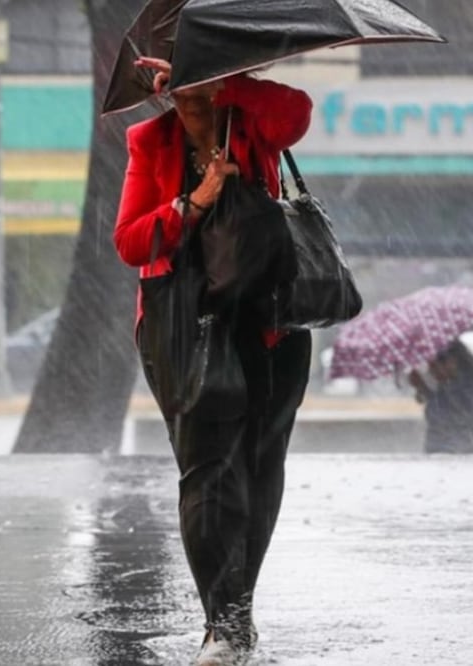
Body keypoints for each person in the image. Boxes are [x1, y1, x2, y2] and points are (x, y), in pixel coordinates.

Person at [113, 57, 313, 666]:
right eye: (177, 86)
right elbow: (129, 241)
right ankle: (222, 624)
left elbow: (298, 112)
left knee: (259, 469)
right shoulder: (150, 141)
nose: (186, 96)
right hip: (184, 327)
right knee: (207, 473)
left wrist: (224, 81)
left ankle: (237, 610)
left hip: (270, 322)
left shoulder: (251, 122)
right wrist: (193, 202)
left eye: (194, 78)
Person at [407, 341, 473, 454]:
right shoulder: (446, 390)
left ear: (455, 362)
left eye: (440, 361)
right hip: (443, 458)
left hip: (458, 459)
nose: (433, 367)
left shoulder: (471, 391)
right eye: (430, 363)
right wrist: (422, 388)